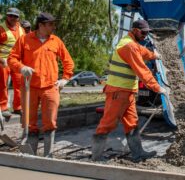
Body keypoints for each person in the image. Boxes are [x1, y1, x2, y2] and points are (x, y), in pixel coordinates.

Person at [91, 19, 167, 162]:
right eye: (143, 33)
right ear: (135, 30)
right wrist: (157, 88)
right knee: (108, 123)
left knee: (132, 122)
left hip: (127, 92)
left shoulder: (132, 44)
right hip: (118, 92)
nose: (145, 36)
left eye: (147, 33)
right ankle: (96, 157)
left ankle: (138, 154)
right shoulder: (129, 46)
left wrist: (154, 55)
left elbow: (143, 52)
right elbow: (142, 71)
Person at [8, 12, 74, 157]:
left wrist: (65, 79)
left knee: (50, 122)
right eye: (51, 24)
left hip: (51, 88)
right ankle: (30, 155)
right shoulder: (24, 40)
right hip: (29, 88)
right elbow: (12, 59)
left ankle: (48, 156)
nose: (53, 27)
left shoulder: (56, 41)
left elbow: (68, 61)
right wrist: (21, 67)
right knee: (29, 123)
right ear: (41, 25)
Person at [0, 8, 26, 118]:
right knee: (3, 84)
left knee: (19, 84)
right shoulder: (1, 28)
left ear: (18, 18)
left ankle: (18, 107)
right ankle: (3, 107)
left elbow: (24, 46)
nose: (12, 18)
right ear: (7, 16)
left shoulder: (21, 30)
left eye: (15, 16)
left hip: (16, 62)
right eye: (10, 16)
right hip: (3, 61)